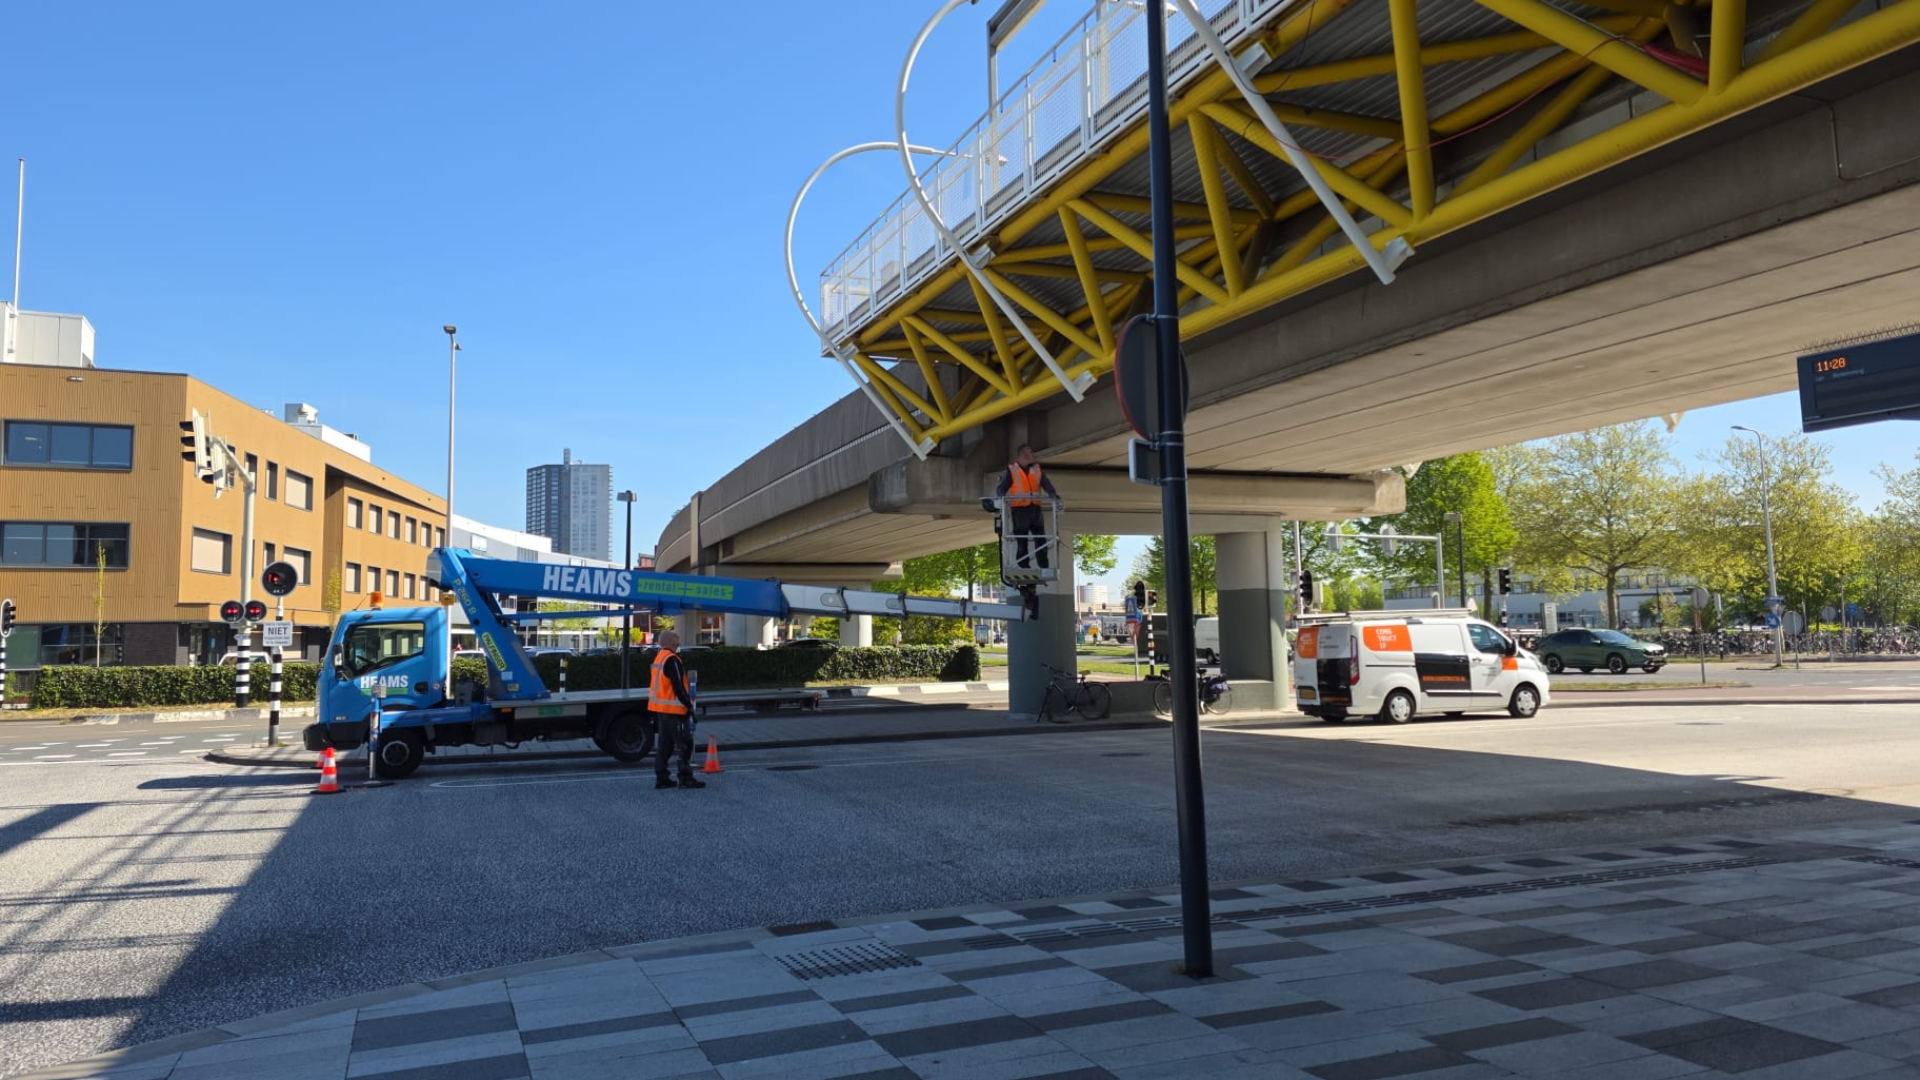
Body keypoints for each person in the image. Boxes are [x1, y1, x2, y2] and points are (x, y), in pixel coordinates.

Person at [649, 631, 705, 789]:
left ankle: (662, 778)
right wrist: (689, 707)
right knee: (685, 743)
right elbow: (678, 688)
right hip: (674, 710)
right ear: (670, 641)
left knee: (665, 744)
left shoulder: (660, 657)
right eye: (677, 638)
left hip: (662, 709)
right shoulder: (672, 659)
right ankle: (685, 778)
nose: (679, 641)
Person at [995, 444, 1059, 569]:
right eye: (1029, 453)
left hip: (1035, 509)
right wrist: (1001, 498)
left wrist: (1053, 494)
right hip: (1020, 511)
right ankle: (1024, 567)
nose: (1031, 455)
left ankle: (1043, 566)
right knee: (1022, 542)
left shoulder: (1036, 470)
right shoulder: (1012, 470)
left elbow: (1046, 484)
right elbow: (1001, 488)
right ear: (1023, 454)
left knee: (1041, 540)